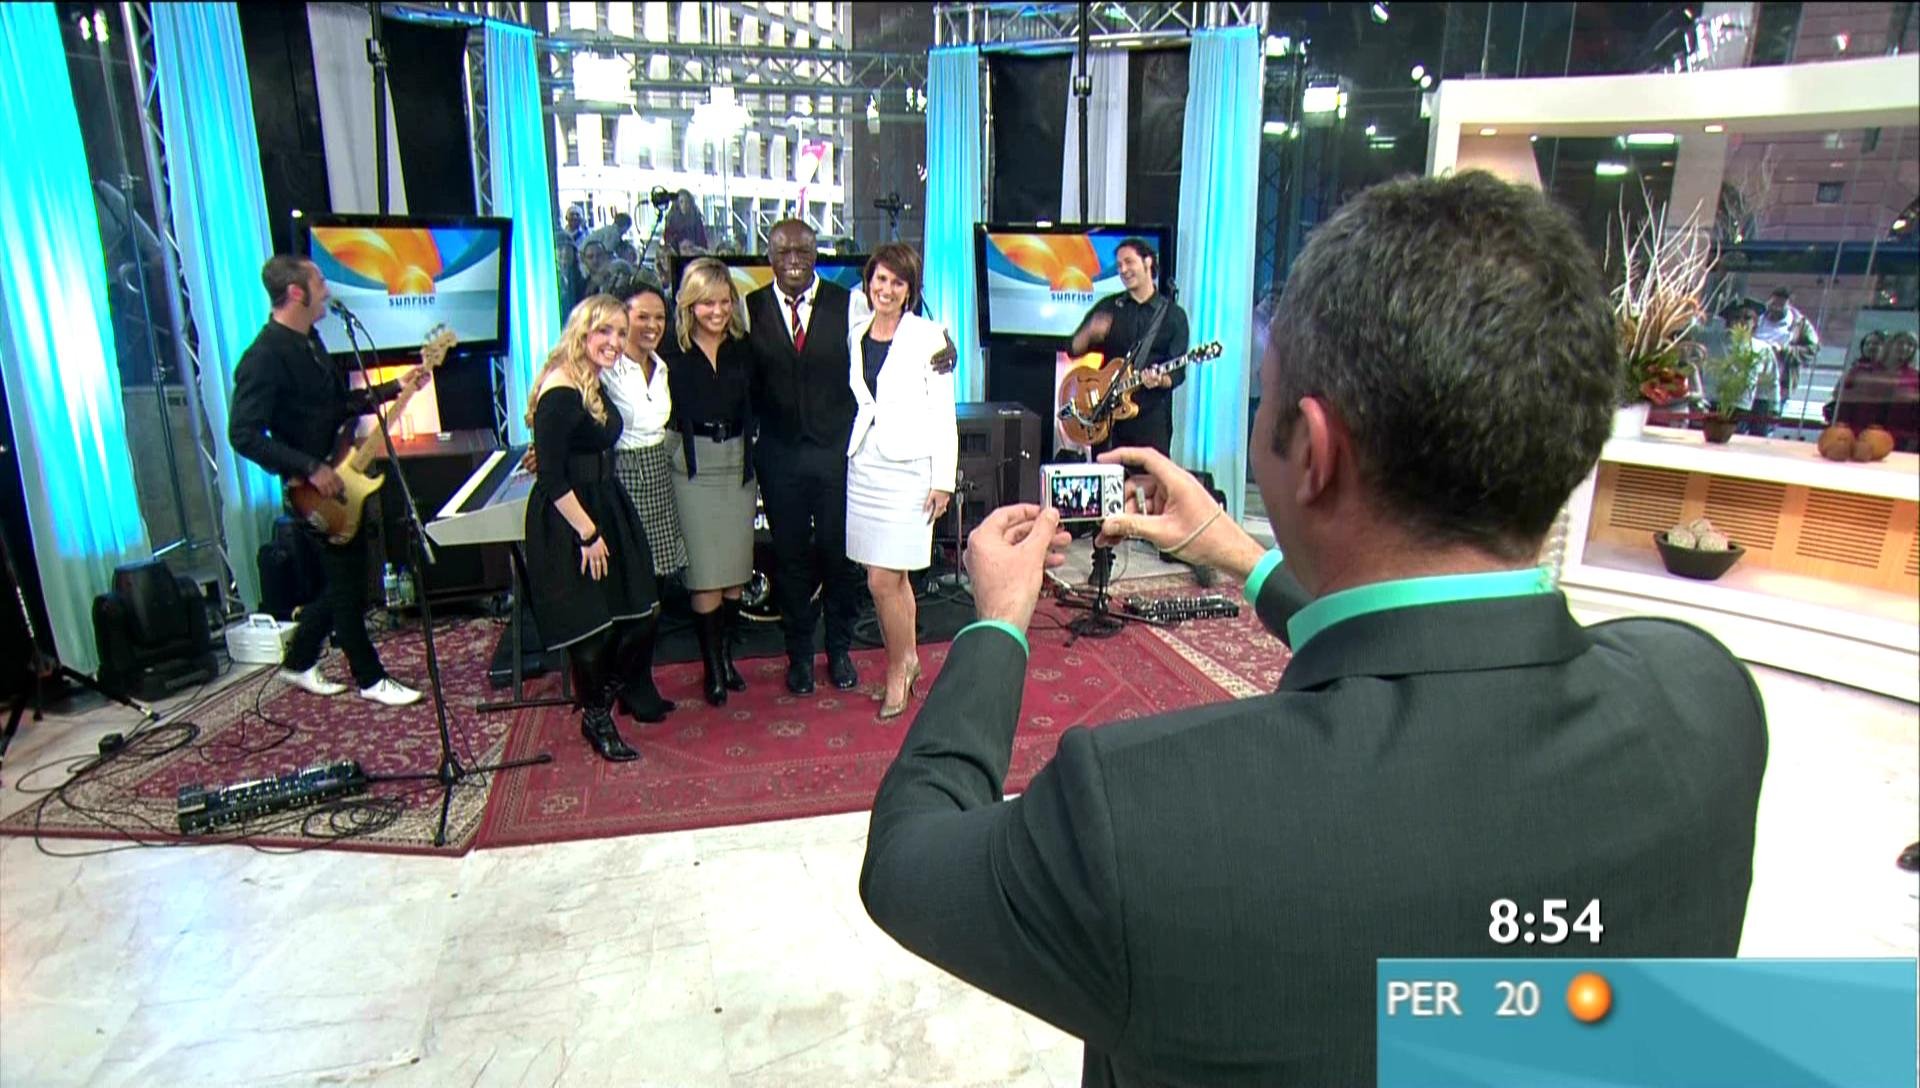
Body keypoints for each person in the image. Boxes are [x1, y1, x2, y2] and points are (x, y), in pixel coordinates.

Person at [859, 172, 1767, 1086]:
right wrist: (1246, 561)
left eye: (1263, 404)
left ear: (1316, 453)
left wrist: (998, 626)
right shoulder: (1704, 699)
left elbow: (906, 861)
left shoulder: (1145, 817)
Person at [229, 255, 429, 708]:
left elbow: (336, 406)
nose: (327, 289)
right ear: (296, 292)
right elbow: (242, 433)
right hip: (310, 490)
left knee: (346, 582)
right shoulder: (263, 357)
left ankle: (300, 660)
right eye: (319, 281)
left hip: (340, 474)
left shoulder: (311, 341)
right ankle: (369, 677)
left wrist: (394, 388)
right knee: (347, 584)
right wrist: (308, 467)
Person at [523, 295, 669, 763]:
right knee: (593, 631)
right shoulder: (561, 389)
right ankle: (597, 718)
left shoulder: (591, 378)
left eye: (620, 333)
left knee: (642, 612)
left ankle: (602, 701)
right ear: (582, 331)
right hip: (572, 519)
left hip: (607, 502)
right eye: (604, 331)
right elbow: (552, 479)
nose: (614, 341)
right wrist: (587, 534)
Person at [843, 243, 957, 720]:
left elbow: (943, 412)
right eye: (880, 279)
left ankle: (895, 668)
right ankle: (908, 659)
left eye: (897, 282)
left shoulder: (930, 337)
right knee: (896, 578)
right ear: (869, 281)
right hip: (866, 464)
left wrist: (943, 479)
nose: (886, 289)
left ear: (910, 289)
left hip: (910, 471)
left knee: (882, 580)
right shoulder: (857, 330)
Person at [664, 258, 758, 706]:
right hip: (693, 464)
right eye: (706, 303)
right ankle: (712, 670)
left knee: (735, 570)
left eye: (723, 302)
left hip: (737, 461)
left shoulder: (743, 346)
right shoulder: (671, 349)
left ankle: (728, 657)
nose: (717, 311)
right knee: (705, 572)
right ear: (689, 305)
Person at [599, 273, 691, 586]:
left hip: (660, 475)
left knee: (660, 579)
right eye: (642, 317)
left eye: (659, 317)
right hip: (622, 476)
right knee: (630, 574)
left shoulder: (661, 366)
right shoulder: (607, 369)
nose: (653, 325)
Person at [1067, 236, 1190, 458]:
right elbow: (1073, 349)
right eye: (1119, 265)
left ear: (1148, 262)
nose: (1123, 270)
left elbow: (1178, 372)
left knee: (1148, 478)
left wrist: (1160, 379)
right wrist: (1090, 331)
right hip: (1108, 420)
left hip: (1150, 421)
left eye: (1129, 262)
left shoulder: (1174, 316)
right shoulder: (1109, 306)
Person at [1754, 285, 1820, 426]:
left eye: (1780, 305)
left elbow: (1813, 348)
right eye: (1773, 304)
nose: (1776, 309)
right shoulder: (1757, 318)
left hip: (1779, 382)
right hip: (1751, 378)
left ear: (1789, 305)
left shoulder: (1799, 324)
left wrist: (1784, 350)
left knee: (1766, 423)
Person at [663, 189, 708, 254]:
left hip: (695, 254)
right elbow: (668, 241)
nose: (684, 205)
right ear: (677, 204)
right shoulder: (671, 220)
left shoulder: (696, 219)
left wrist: (694, 248)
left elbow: (702, 241)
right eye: (681, 202)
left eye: (687, 202)